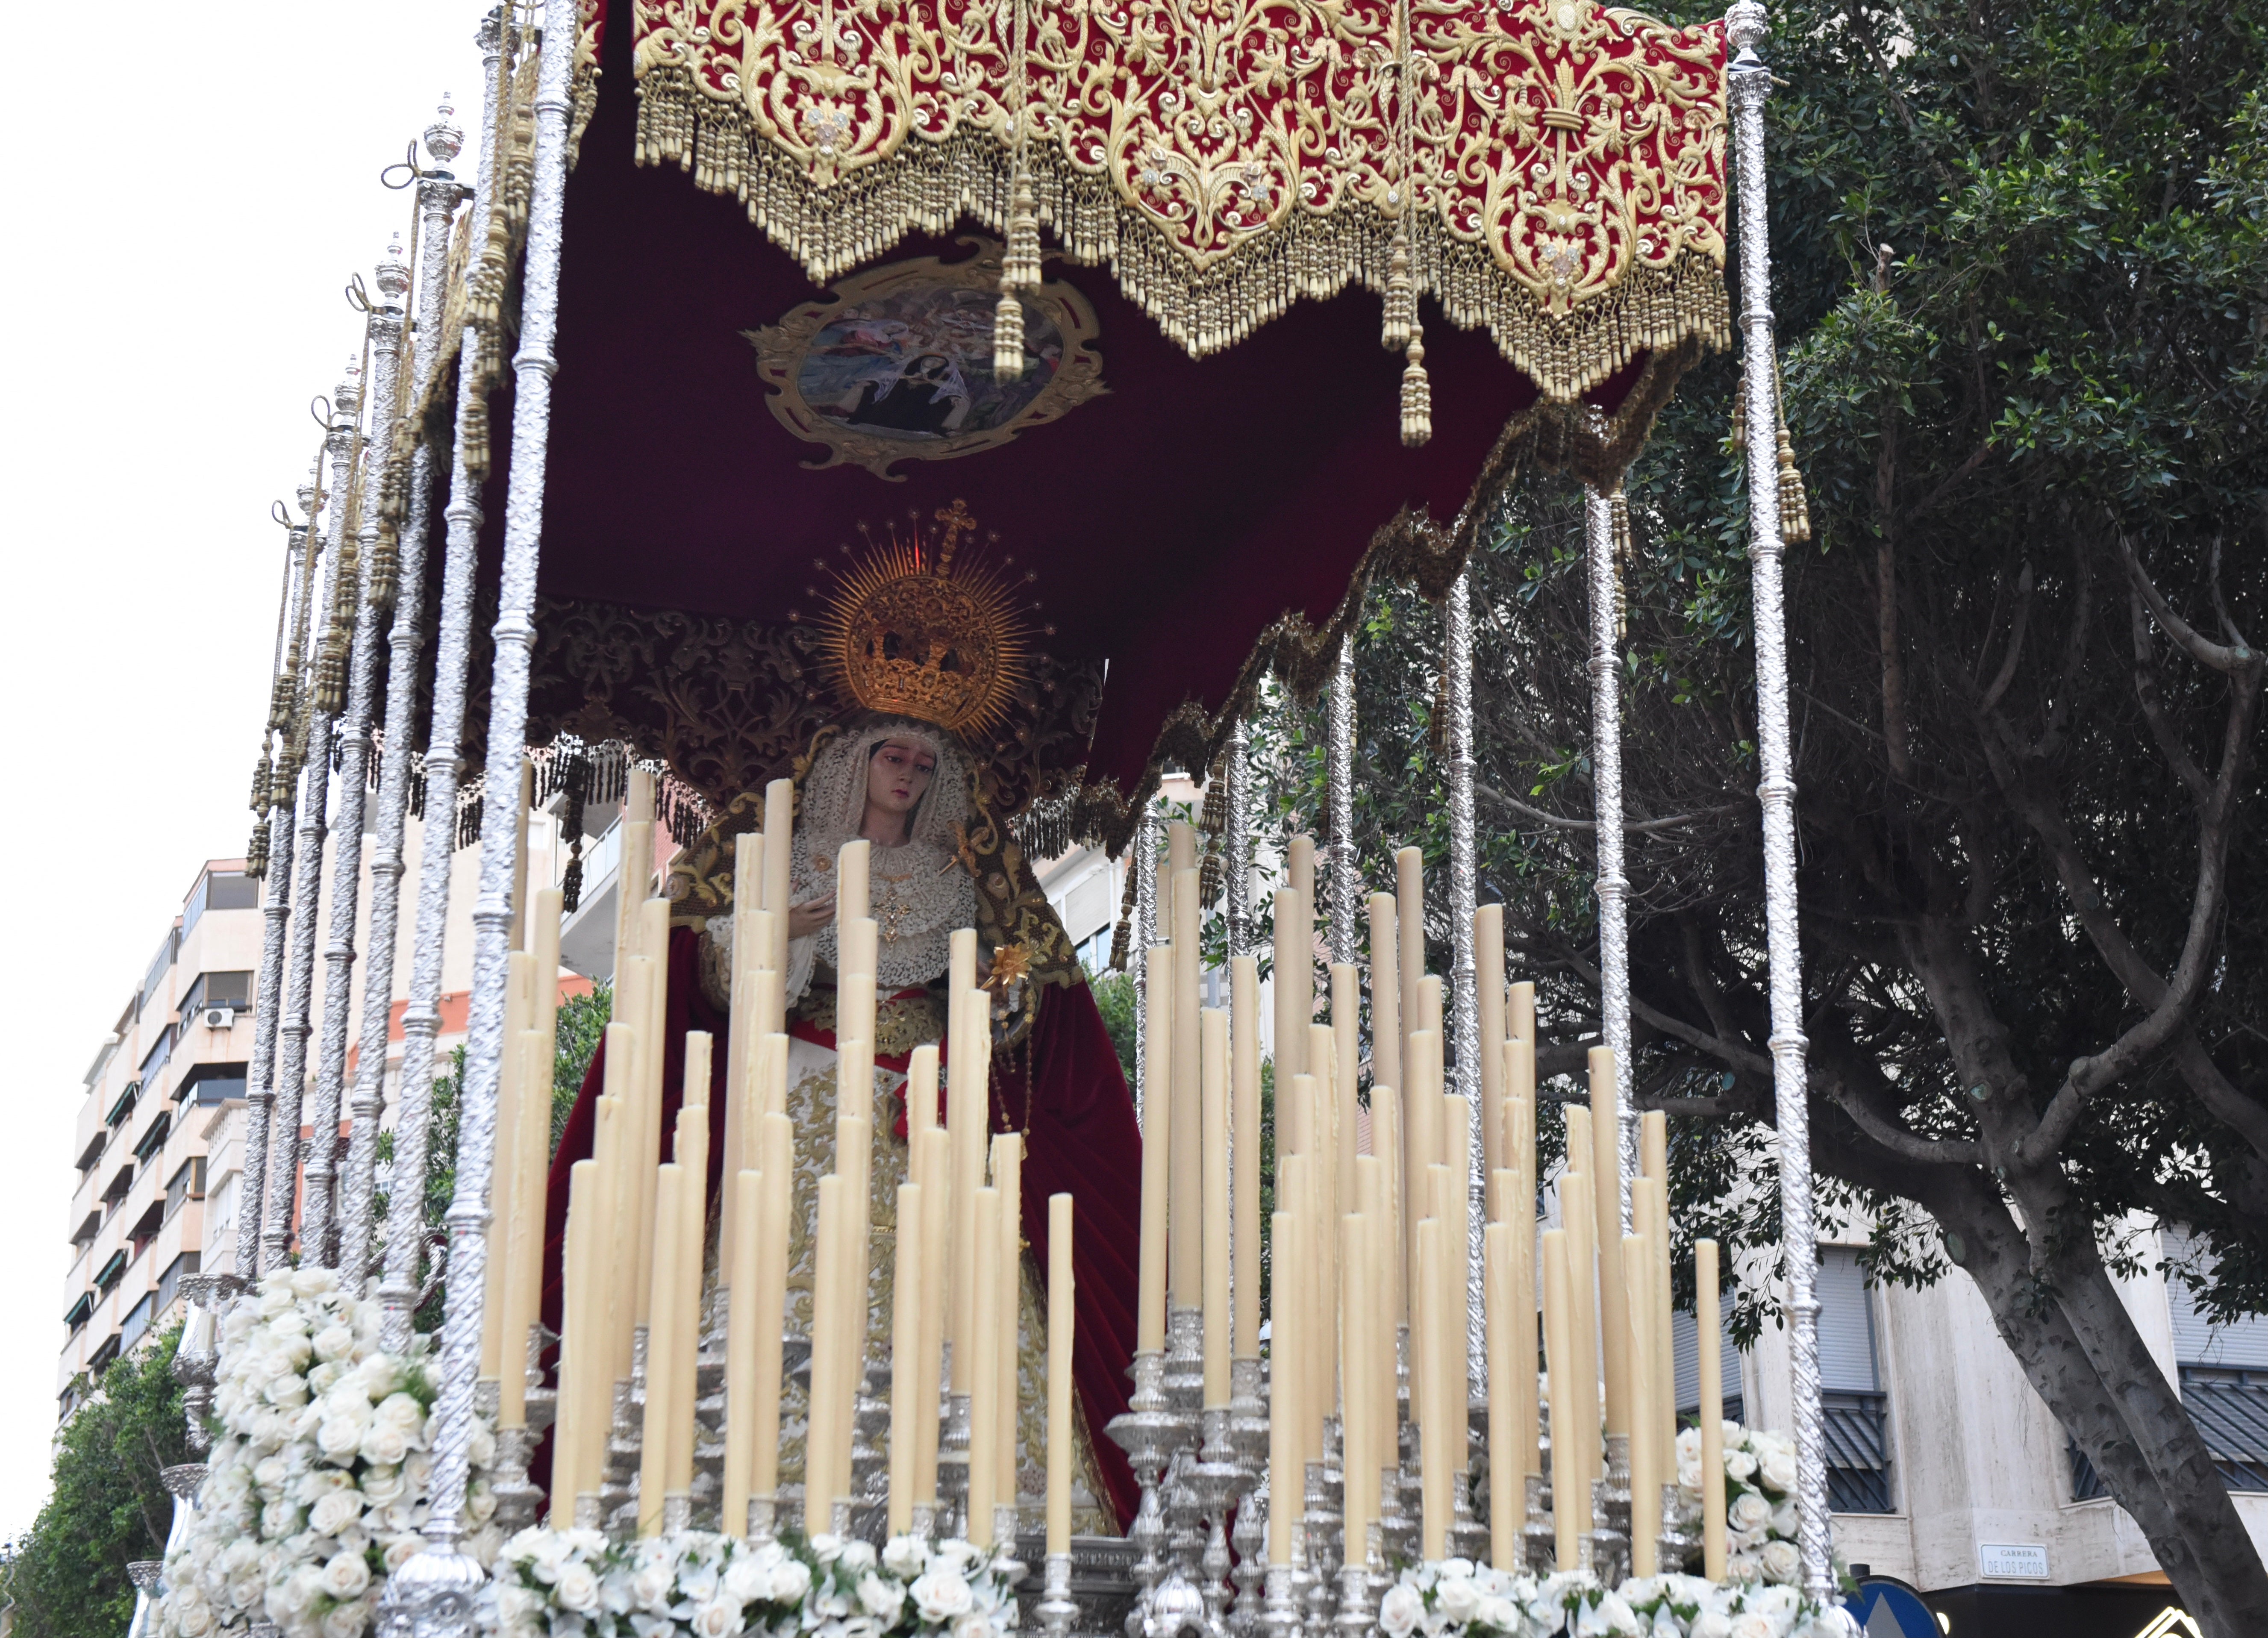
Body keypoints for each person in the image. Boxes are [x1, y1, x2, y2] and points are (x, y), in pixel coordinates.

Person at [542, 715, 1144, 1532]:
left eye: (924, 764)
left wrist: (996, 990)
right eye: (894, 757)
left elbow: (1014, 973)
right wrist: (775, 931)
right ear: (854, 766)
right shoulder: (790, 857)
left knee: (953, 1282)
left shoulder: (955, 878)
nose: (908, 775)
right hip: (808, 1093)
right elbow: (709, 973)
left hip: (923, 1108)